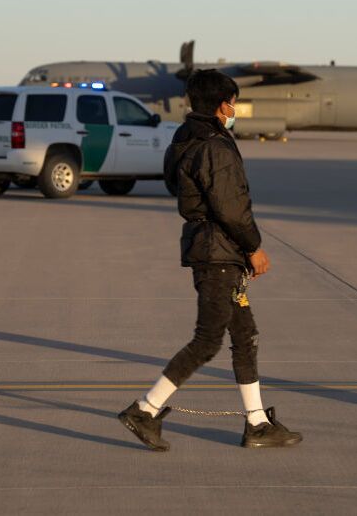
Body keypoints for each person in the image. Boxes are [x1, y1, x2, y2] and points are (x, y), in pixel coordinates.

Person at [118, 69, 302, 451]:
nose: (235, 109)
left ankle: (258, 423)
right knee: (207, 340)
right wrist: (254, 247)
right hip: (220, 253)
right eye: (233, 102)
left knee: (244, 335)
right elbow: (231, 207)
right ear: (223, 104)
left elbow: (177, 185)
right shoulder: (215, 146)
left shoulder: (184, 138)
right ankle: (144, 410)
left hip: (212, 249)